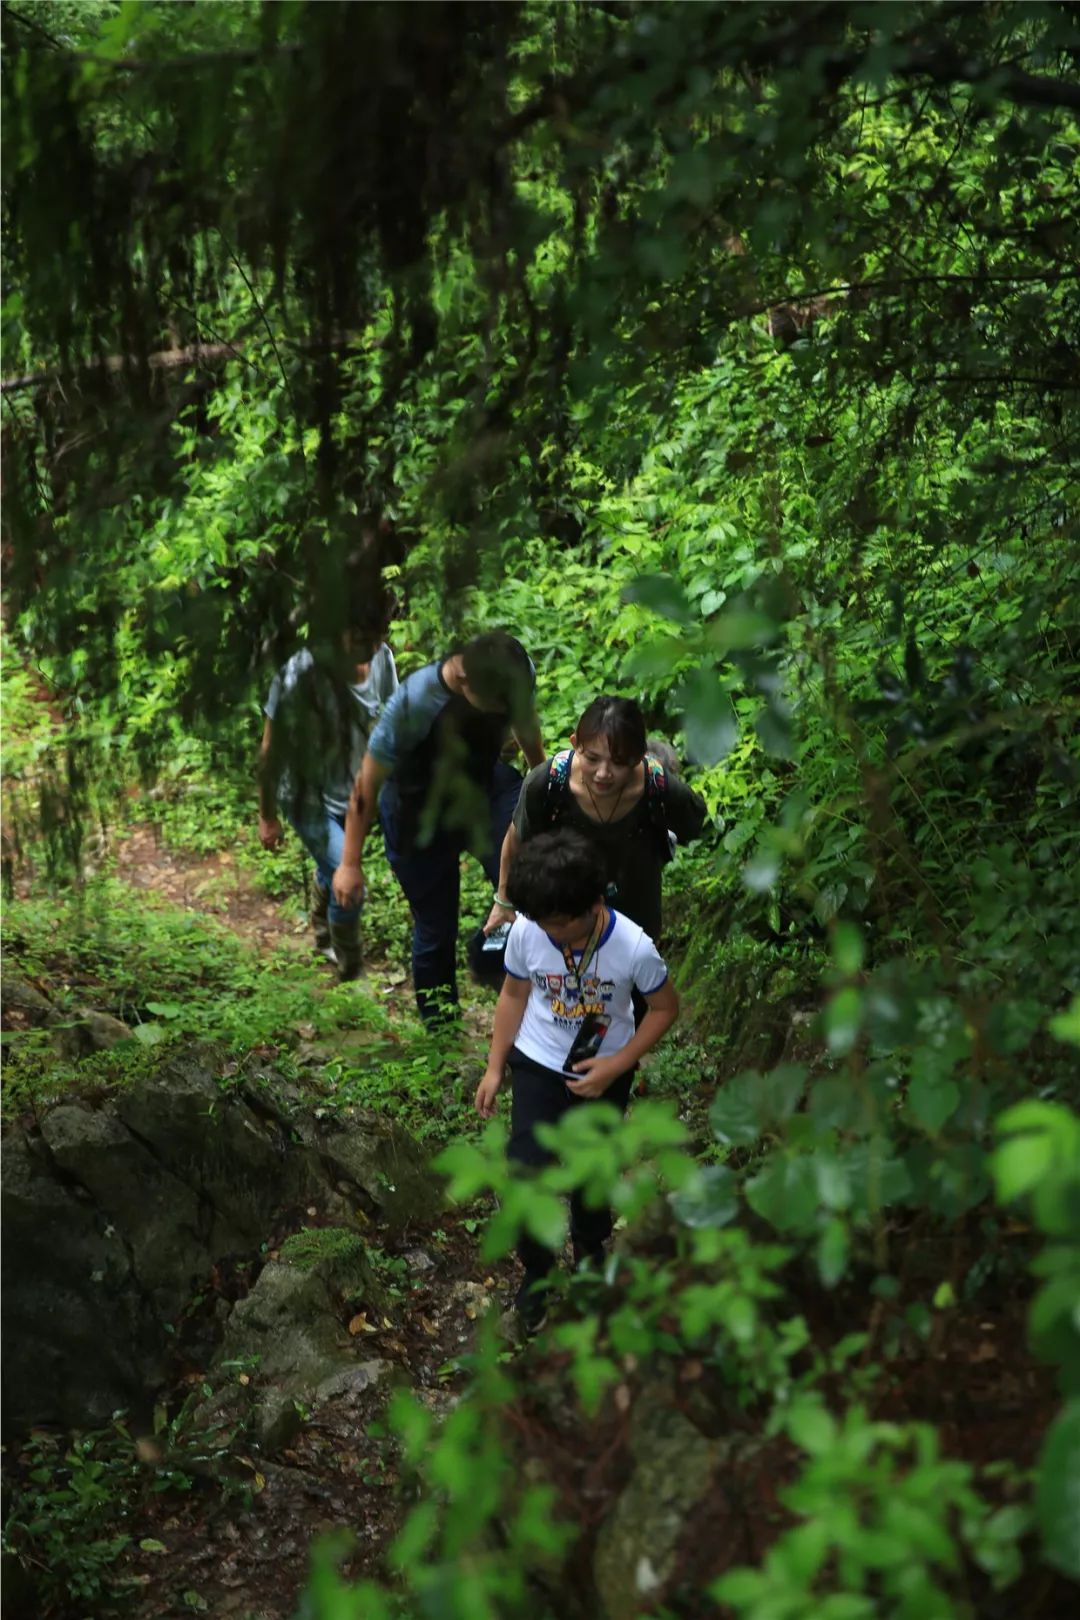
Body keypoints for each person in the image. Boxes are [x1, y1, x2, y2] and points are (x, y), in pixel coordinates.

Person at [475, 829, 679, 1333]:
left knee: (592, 1173)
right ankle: (538, 1275)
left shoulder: (633, 947)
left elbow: (665, 1008)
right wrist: (496, 1065)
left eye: (559, 925)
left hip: (604, 1069)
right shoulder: (528, 931)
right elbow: (514, 996)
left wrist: (617, 1065)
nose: (549, 933)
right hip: (539, 1061)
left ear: (592, 904)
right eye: (542, 923)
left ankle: (590, 1252)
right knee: (527, 1169)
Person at [332, 630, 545, 1024]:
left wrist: (542, 777)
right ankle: (441, 1030)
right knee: (435, 926)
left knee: (534, 865)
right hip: (416, 813)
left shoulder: (513, 672)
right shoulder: (414, 703)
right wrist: (349, 862)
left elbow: (525, 724)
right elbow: (367, 782)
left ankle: (493, 952)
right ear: (465, 681)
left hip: (480, 789)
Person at [484, 696, 707, 948]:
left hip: (634, 922)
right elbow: (515, 841)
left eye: (619, 762)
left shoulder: (658, 786)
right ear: (575, 744)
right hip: (563, 916)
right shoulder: (547, 782)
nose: (603, 773)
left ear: (639, 756)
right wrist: (503, 900)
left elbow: (694, 823)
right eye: (592, 759)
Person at [258, 615, 398, 981]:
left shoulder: (381, 657)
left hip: (353, 792)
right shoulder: (298, 678)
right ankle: (351, 971)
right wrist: (267, 815)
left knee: (334, 868)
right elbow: (270, 751)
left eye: (379, 634)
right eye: (363, 637)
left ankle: (323, 926)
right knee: (349, 881)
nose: (373, 646)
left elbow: (395, 718)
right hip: (306, 797)